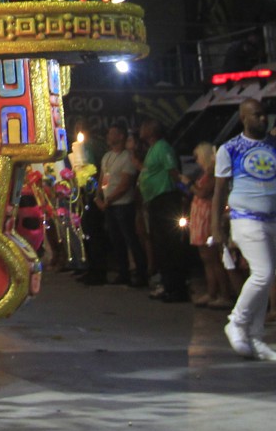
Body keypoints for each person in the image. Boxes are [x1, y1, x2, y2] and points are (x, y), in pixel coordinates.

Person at [214, 98, 276, 360]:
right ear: (243, 118)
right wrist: (217, 228)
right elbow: (219, 190)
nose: (262, 119)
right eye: (256, 115)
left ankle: (257, 338)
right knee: (263, 273)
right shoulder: (230, 148)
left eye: (264, 115)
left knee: (266, 277)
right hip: (246, 218)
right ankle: (236, 321)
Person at [138, 119, 190, 302]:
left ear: (153, 130)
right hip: (154, 201)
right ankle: (168, 285)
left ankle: (177, 288)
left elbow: (172, 172)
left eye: (145, 126)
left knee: (170, 245)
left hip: (166, 200)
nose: (141, 129)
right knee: (160, 245)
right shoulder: (152, 149)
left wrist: (184, 190)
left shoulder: (163, 147)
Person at [96, 125, 146, 286]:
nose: (109, 136)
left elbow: (126, 183)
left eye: (113, 133)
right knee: (116, 240)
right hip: (109, 204)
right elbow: (103, 178)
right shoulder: (107, 157)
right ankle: (123, 272)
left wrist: (110, 199)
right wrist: (99, 197)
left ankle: (140, 272)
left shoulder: (127, 158)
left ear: (121, 136)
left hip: (123, 204)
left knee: (130, 238)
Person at [189, 141, 235, 308]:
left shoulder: (213, 174)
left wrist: (188, 184)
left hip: (208, 217)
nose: (196, 161)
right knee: (206, 259)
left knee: (214, 258)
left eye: (198, 157)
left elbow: (203, 192)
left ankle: (224, 293)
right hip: (200, 216)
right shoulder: (206, 173)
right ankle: (212, 291)